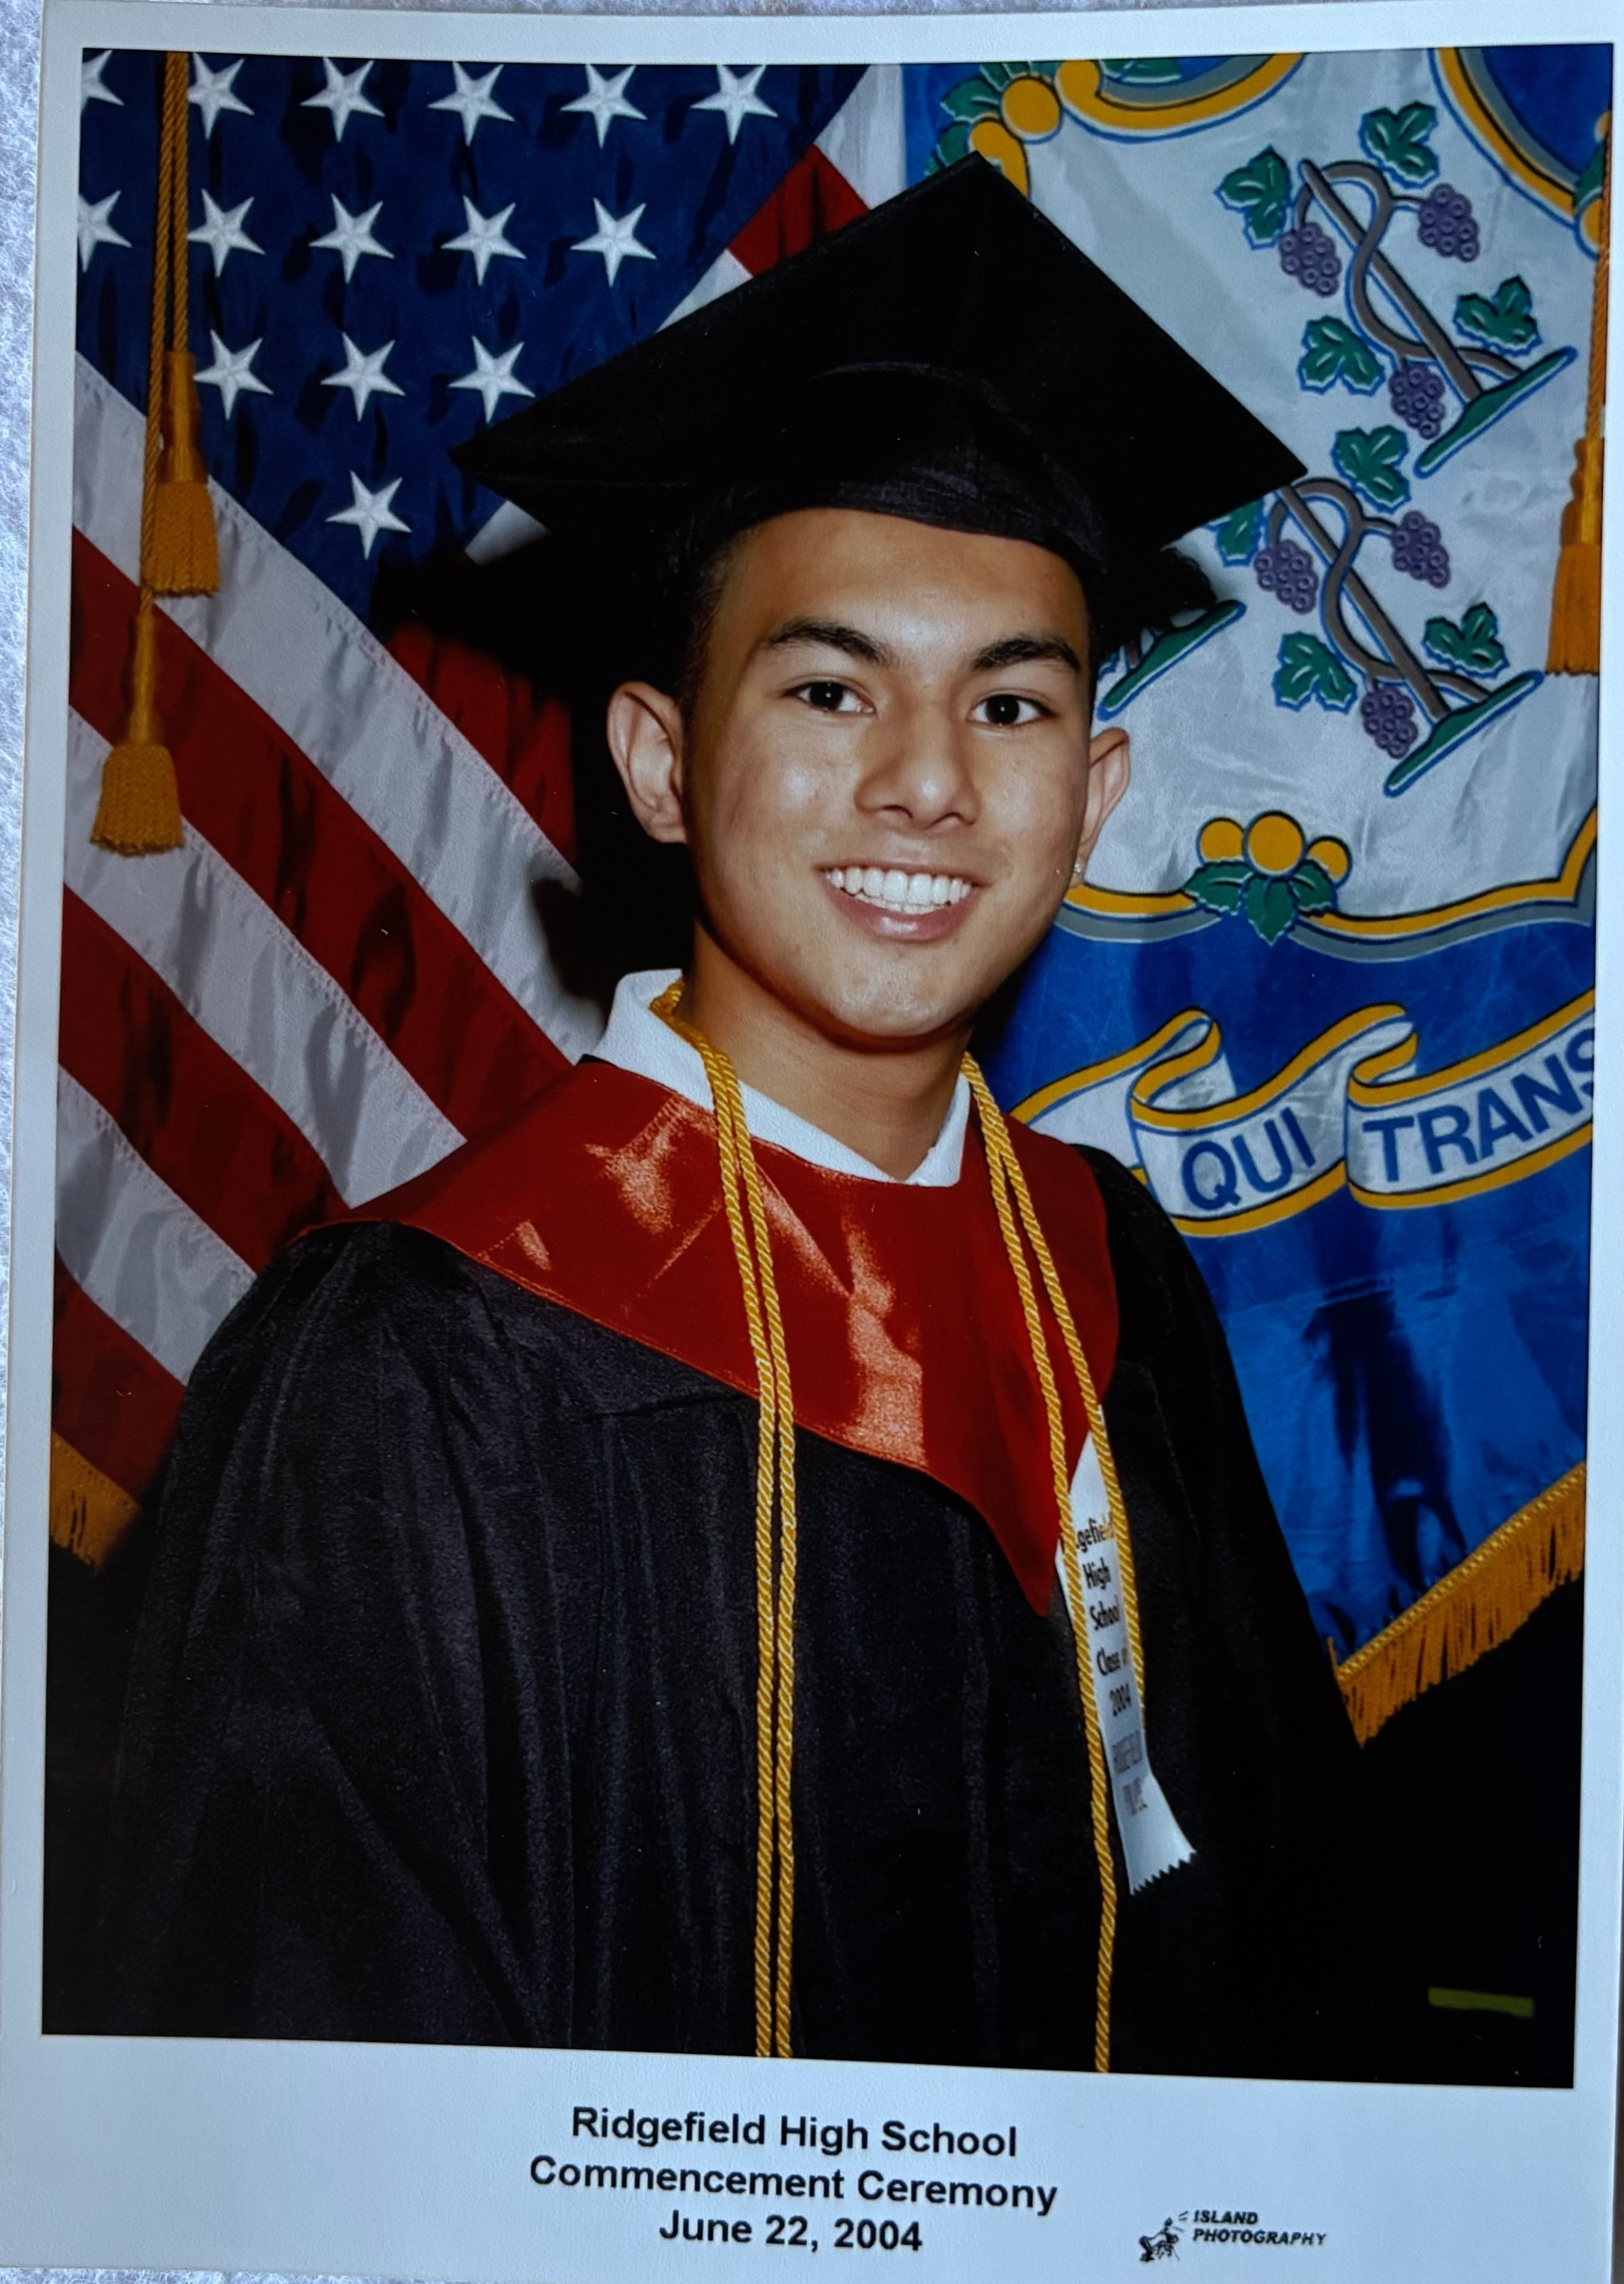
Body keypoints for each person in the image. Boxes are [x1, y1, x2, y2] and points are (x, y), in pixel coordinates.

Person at [102, 160, 1373, 2074]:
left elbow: (1280, 1934)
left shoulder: (1110, 1273)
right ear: (659, 763)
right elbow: (319, 2076)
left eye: (1010, 708)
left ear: (1095, 786)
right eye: (827, 689)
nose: (929, 784)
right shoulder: (416, 1361)